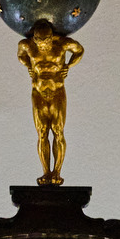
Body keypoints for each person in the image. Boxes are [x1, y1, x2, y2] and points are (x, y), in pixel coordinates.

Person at [17, 20, 84, 185]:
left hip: (57, 91)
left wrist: (68, 65)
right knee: (42, 132)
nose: (43, 46)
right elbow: (20, 55)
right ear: (34, 39)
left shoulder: (61, 44)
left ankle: (57, 172)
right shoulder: (27, 46)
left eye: (46, 42)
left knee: (58, 131)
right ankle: (46, 172)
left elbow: (79, 51)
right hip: (38, 92)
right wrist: (29, 67)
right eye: (39, 43)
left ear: (51, 38)